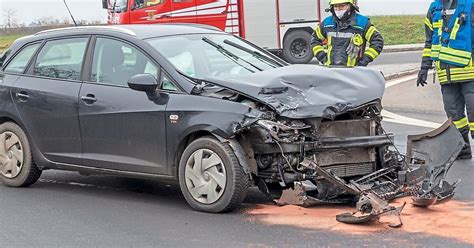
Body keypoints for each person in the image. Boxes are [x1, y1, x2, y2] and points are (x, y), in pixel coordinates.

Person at [418, 0, 473, 159]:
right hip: (445, 74)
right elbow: (429, 41)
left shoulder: (470, 4)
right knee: (453, 112)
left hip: (469, 72)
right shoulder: (434, 8)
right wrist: (424, 66)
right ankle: (463, 147)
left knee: (473, 110)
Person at [311, 0, 384, 67]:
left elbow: (377, 41)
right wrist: (322, 57)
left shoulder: (362, 22)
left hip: (354, 71)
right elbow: (315, 40)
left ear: (350, 6)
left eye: (342, 6)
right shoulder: (327, 23)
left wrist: (364, 61)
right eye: (335, 6)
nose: (338, 9)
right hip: (332, 70)